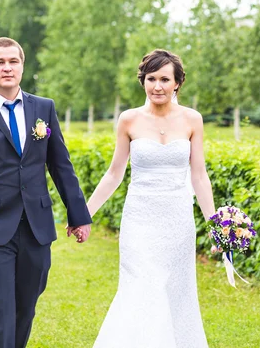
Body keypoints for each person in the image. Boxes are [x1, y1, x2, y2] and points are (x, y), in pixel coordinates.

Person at [0, 37, 91, 348]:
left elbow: (61, 166)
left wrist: (78, 215)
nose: (7, 67)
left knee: (25, 309)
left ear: (22, 67)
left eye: (13, 61)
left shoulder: (44, 108)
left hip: (37, 228)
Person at [80, 49, 215, 347]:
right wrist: (83, 212)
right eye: (151, 78)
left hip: (178, 222)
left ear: (177, 83)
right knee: (142, 288)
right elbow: (114, 174)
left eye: (165, 79)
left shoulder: (193, 120)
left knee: (175, 294)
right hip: (139, 222)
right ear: (143, 81)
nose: (157, 86)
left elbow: (199, 176)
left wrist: (214, 224)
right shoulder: (129, 120)